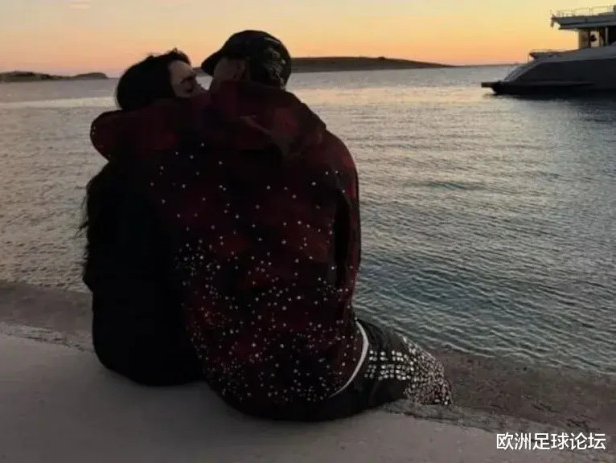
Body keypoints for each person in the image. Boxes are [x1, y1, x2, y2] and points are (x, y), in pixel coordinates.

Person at [90, 31, 452, 419]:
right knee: (430, 373)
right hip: (316, 379)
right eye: (193, 85)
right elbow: (346, 267)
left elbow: (109, 131)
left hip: (225, 374)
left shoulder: (182, 161)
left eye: (211, 76)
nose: (206, 88)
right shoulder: (328, 152)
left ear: (237, 69)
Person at [81, 49, 205, 386]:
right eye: (190, 86)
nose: (204, 93)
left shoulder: (117, 173)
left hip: (114, 347)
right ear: (160, 105)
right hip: (170, 356)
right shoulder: (178, 176)